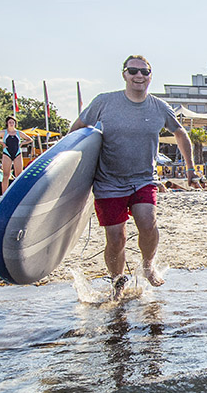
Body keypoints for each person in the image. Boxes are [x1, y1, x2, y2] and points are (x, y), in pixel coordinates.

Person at [71, 55, 194, 297]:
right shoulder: (104, 102)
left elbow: (181, 134)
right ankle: (117, 283)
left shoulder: (159, 107)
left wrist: (190, 169)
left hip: (143, 178)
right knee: (116, 238)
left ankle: (148, 266)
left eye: (144, 72)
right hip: (108, 181)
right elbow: (76, 130)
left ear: (150, 76)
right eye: (133, 71)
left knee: (147, 222)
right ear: (124, 74)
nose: (139, 76)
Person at [0, 116, 32, 194]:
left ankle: (19, 192)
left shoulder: (19, 133)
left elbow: (30, 139)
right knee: (6, 175)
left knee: (19, 174)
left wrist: (22, 143)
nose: (11, 124)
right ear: (7, 123)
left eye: (13, 122)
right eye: (10, 122)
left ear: (15, 124)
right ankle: (4, 194)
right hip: (7, 153)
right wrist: (1, 143)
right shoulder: (3, 132)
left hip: (17, 153)